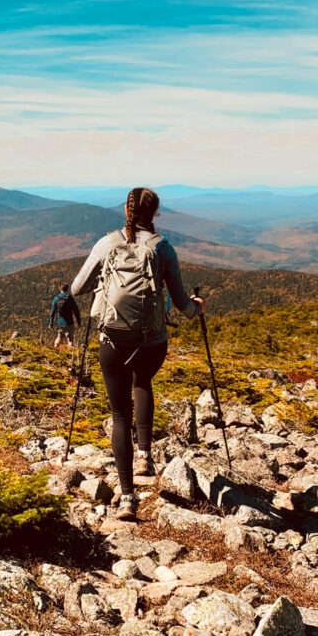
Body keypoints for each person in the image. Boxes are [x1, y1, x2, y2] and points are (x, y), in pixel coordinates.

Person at [71, 187, 204, 521]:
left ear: (126, 209)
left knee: (119, 416)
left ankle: (128, 497)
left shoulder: (107, 243)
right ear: (155, 213)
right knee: (142, 382)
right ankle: (145, 454)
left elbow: (76, 288)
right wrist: (197, 308)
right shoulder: (163, 249)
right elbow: (182, 303)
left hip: (112, 340)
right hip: (151, 339)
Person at [49, 282, 81, 348]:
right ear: (67, 289)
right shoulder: (70, 299)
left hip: (60, 323)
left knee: (59, 337)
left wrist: (51, 323)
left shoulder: (56, 298)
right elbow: (76, 311)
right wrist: (79, 322)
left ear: (60, 288)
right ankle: (69, 355)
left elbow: (52, 312)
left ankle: (55, 349)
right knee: (70, 340)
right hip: (69, 323)